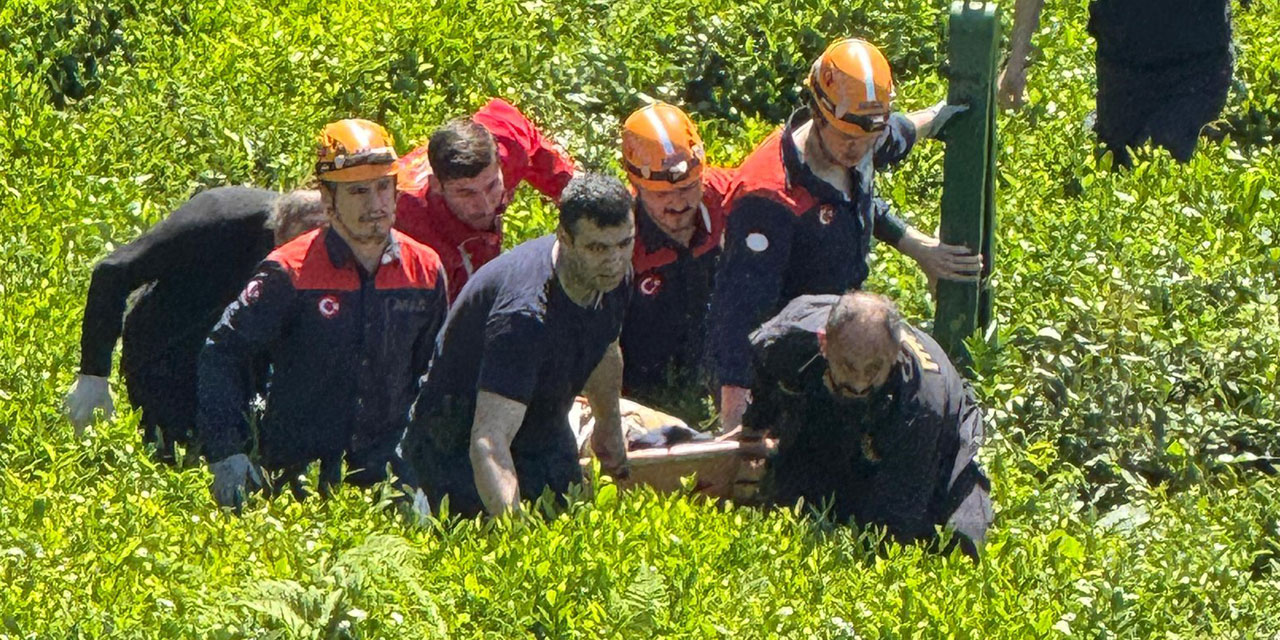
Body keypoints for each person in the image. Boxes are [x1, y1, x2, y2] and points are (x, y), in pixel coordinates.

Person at [709, 38, 981, 432]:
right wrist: (734, 428)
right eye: (847, 136)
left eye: (869, 136)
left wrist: (918, 246)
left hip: (844, 324)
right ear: (818, 115)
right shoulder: (768, 198)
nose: (857, 148)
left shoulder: (861, 134)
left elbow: (900, 138)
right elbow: (738, 315)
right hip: (792, 353)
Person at [198, 119, 449, 510]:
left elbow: (433, 377)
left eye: (384, 187)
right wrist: (226, 451)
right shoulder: (289, 270)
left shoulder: (425, 269)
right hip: (296, 480)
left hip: (389, 478)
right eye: (359, 191)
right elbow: (222, 352)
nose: (375, 204)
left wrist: (424, 469)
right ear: (328, 200)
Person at [404, 173, 633, 517]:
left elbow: (604, 346)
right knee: (494, 546)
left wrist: (608, 428)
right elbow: (488, 441)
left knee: (571, 528)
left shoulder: (610, 275)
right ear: (565, 239)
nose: (614, 260)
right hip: (456, 439)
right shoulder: (524, 314)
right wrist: (515, 543)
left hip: (541, 421)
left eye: (624, 243)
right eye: (597, 248)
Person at [62, 185, 326, 463]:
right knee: (182, 455)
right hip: (167, 348)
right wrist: (93, 375)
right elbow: (113, 271)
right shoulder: (218, 219)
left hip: (243, 356)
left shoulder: (344, 249)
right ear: (286, 232)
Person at [735, 292, 992, 558]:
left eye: (872, 369)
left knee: (953, 544)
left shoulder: (924, 401)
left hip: (939, 446)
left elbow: (899, 510)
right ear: (824, 343)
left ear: (895, 355)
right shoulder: (787, 340)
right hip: (836, 412)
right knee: (791, 502)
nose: (858, 384)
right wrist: (754, 431)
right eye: (847, 366)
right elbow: (764, 386)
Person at [998, 0, 1239, 166]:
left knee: (1163, 153)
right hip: (1123, 69)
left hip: (1197, 69)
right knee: (1118, 158)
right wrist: (1017, 60)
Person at [395, 98, 576, 300]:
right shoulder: (404, 220)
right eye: (466, 193)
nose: (486, 205)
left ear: (500, 162)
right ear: (436, 185)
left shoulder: (507, 140)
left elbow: (537, 149)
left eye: (492, 186)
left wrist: (577, 195)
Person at [617, 102, 734, 412]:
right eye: (661, 194)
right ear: (636, 185)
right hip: (639, 387)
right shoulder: (618, 240)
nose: (679, 203)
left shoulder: (728, 198)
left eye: (688, 187)